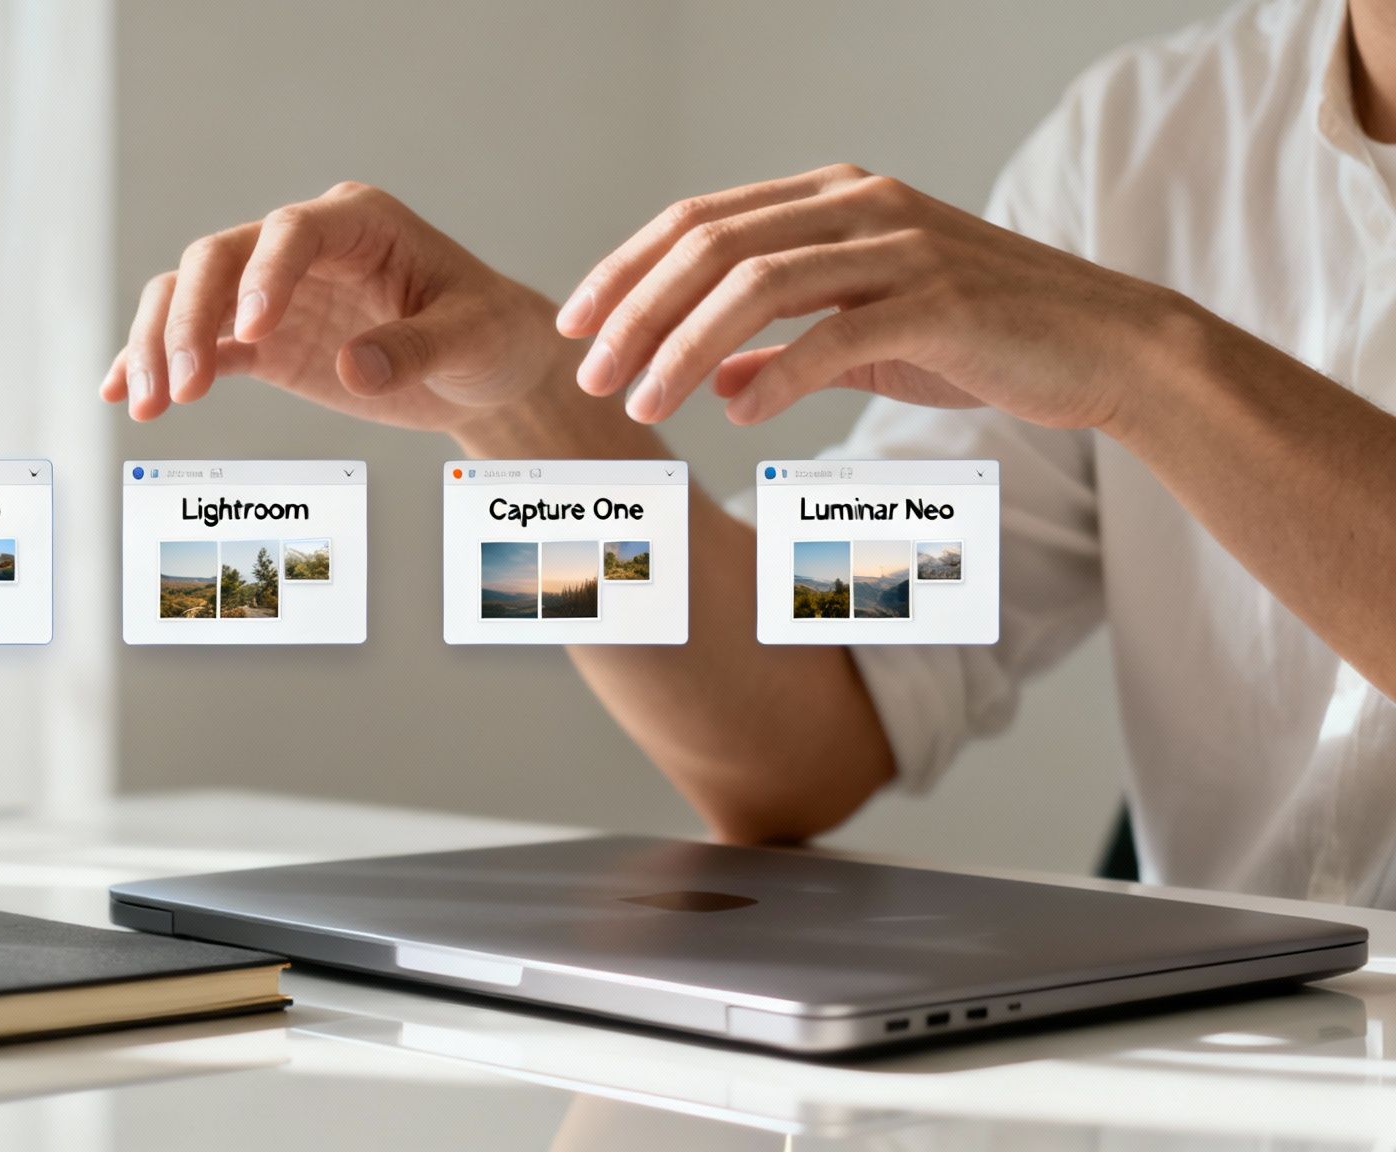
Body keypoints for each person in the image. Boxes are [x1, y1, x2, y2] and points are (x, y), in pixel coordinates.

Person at [103, 0, 1396, 907]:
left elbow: (1135, 365)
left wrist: (1147, 362)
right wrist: (521, 409)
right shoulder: (1141, 143)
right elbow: (806, 720)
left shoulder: (1124, 255)